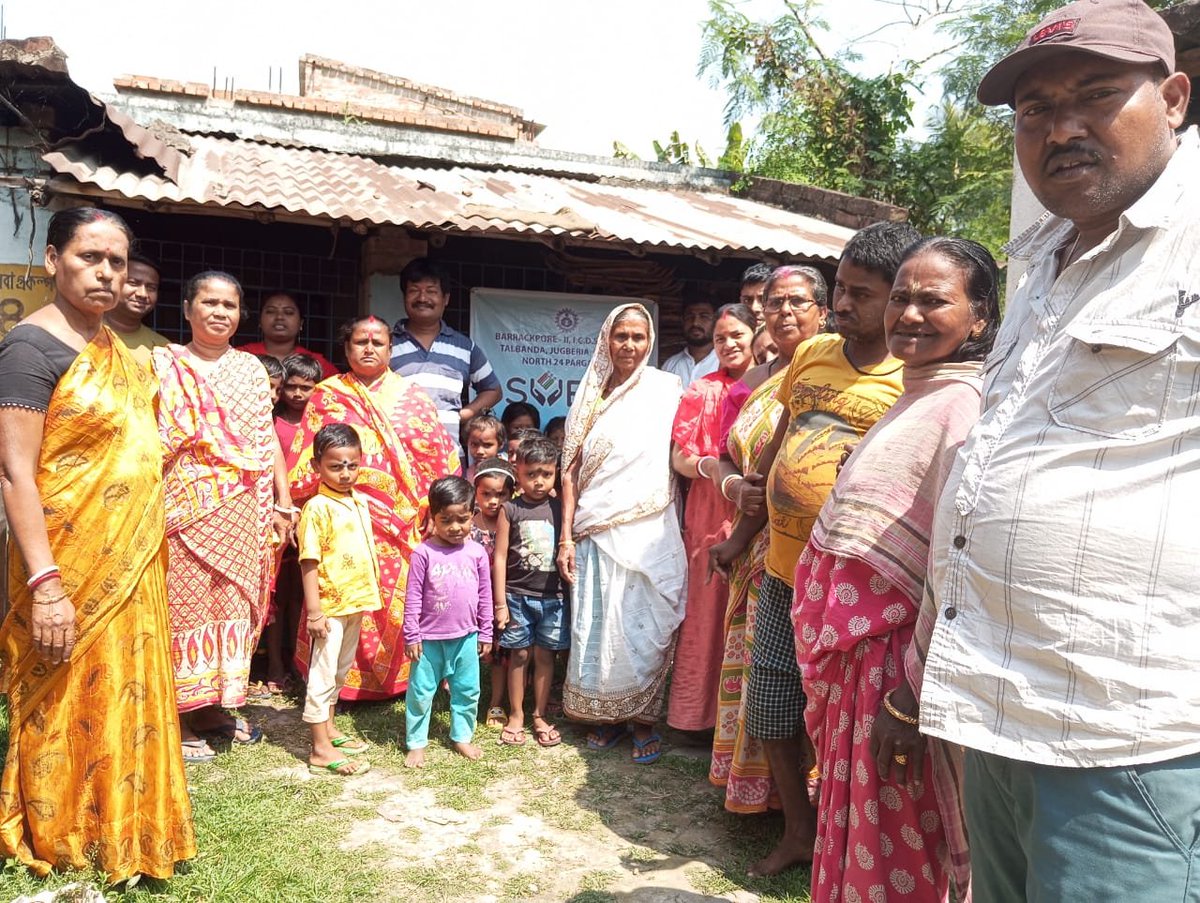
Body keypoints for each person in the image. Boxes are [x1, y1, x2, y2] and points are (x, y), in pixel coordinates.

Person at [911, 4, 1200, 900]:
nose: (1061, 127)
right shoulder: (1041, 256)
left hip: (1127, 736)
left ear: (1176, 98)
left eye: (1098, 95)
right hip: (1000, 709)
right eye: (1034, 110)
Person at [794, 237, 1001, 902]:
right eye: (903, 297)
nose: (908, 313)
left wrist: (908, 700)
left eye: (933, 300)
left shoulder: (964, 407)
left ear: (980, 316)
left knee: (898, 858)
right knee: (858, 839)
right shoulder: (916, 395)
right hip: (860, 674)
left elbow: (957, 565)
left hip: (895, 682)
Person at [0, 207, 195, 880]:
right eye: (90, 257)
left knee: (124, 689)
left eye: (117, 260)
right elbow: (14, 471)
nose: (107, 272)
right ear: (53, 259)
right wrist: (45, 583)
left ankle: (125, 824)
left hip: (132, 561)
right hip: (63, 564)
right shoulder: (30, 348)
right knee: (63, 694)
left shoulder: (119, 349)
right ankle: (62, 833)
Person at [730, 222, 919, 876]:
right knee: (775, 709)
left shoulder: (912, 376)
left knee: (844, 725)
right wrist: (740, 534)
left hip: (858, 592)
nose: (842, 303)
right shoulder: (812, 356)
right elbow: (779, 442)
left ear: (898, 297)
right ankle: (800, 834)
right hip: (785, 574)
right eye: (839, 287)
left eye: (860, 293)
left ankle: (847, 844)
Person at [154, 270, 294, 760]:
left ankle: (214, 706)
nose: (219, 313)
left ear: (240, 315)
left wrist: (282, 501)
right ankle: (179, 714)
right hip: (184, 509)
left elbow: (264, 442)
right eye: (209, 303)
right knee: (184, 607)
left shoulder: (252, 370)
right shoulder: (164, 365)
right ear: (188, 309)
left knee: (233, 604)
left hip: (242, 511)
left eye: (229, 306)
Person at [707, 265, 829, 815]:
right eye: (774, 303)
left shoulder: (834, 374)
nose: (782, 312)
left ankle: (814, 802)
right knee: (767, 679)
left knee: (808, 681)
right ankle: (765, 797)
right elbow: (727, 456)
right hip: (756, 548)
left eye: (797, 302)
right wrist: (732, 484)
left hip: (804, 550)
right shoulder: (755, 380)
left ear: (822, 312)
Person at [290, 314, 459, 700]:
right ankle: (336, 689)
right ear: (346, 349)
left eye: (377, 342)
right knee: (340, 595)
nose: (369, 348)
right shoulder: (327, 395)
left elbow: (438, 457)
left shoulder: (412, 397)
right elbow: (305, 456)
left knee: (394, 600)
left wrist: (434, 511)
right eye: (360, 342)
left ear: (390, 348)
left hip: (401, 523)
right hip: (339, 519)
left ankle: (393, 684)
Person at [558, 303, 685, 765]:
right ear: (605, 341)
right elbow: (568, 471)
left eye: (638, 336)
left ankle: (644, 721)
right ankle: (605, 719)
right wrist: (566, 537)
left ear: (650, 342)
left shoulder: (666, 389)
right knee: (599, 624)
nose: (629, 345)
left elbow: (680, 453)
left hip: (650, 527)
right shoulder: (589, 394)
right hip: (594, 526)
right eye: (621, 336)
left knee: (645, 621)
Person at [667, 303, 757, 732]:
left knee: (750, 610)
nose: (728, 344)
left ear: (755, 336)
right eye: (721, 339)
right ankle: (697, 717)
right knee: (706, 610)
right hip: (707, 511)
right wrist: (711, 469)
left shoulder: (772, 387)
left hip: (756, 510)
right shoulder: (701, 390)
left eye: (737, 335)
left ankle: (743, 723)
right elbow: (679, 458)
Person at [297, 423, 379, 777]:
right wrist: (314, 611)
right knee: (322, 674)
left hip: (355, 601)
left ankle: (329, 728)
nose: (345, 473)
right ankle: (319, 748)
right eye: (335, 466)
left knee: (340, 670)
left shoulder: (358, 500)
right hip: (329, 607)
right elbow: (309, 560)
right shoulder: (316, 508)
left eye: (352, 465)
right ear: (317, 466)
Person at [403, 476, 494, 768]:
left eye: (462, 519)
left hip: (467, 637)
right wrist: (412, 635)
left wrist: (486, 631)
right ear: (433, 517)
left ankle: (462, 737)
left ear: (473, 516)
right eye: (446, 520)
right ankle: (416, 742)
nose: (455, 527)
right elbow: (413, 596)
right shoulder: (423, 553)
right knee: (420, 693)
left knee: (468, 691)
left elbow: (485, 595)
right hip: (428, 640)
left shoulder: (477, 553)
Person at [388, 258, 502, 456]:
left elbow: (492, 390)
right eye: (414, 290)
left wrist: (463, 415)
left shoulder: (464, 347)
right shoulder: (386, 345)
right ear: (404, 297)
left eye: (431, 291)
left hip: (448, 454)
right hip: (397, 455)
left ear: (446, 299)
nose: (422, 298)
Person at [494, 436, 565, 748]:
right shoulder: (510, 509)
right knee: (519, 654)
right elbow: (498, 557)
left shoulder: (561, 507)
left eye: (546, 474)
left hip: (554, 597)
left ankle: (538, 714)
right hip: (517, 595)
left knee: (545, 656)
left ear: (555, 472)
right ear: (517, 471)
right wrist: (500, 603)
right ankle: (516, 715)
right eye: (531, 474)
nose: (538, 482)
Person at [472, 457, 515, 728]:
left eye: (501, 494)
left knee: (500, 654)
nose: (493, 501)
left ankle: (496, 703)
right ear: (475, 491)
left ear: (512, 494)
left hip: (502, 597)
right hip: (472, 600)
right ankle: (463, 697)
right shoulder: (467, 526)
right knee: (471, 650)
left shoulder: (512, 524)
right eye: (486, 494)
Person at [238, 291, 337, 379]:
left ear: (301, 323)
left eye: (288, 312)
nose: (279, 317)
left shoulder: (317, 363)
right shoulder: (241, 356)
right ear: (260, 321)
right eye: (271, 311)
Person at [103, 249, 169, 366]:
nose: (142, 294)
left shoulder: (163, 349)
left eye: (151, 287)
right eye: (133, 283)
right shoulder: (85, 332)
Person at [661, 298, 719, 386]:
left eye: (704, 316)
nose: (695, 323)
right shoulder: (671, 365)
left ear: (716, 322)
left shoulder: (723, 363)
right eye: (690, 317)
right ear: (682, 321)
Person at [464, 411, 506, 479]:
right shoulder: (469, 475)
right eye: (474, 444)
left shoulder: (509, 470)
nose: (480, 451)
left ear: (500, 444)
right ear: (467, 443)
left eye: (487, 445)